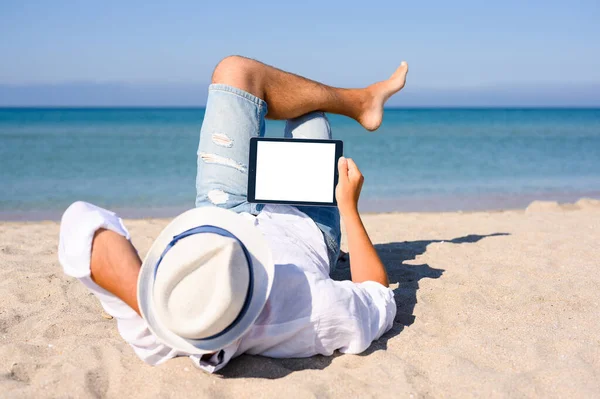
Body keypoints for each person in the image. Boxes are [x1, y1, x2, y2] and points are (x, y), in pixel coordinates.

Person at [58, 56, 409, 373]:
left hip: (221, 206)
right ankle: (361, 102)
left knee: (234, 72)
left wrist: (149, 304)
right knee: (308, 115)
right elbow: (376, 293)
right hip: (305, 222)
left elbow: (82, 222)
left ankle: (361, 101)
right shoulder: (306, 308)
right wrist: (348, 207)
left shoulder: (161, 325)